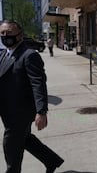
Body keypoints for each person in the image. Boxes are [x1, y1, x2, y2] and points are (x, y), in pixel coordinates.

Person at [0, 20, 64, 173]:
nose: (5, 36)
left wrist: (41, 112)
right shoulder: (3, 54)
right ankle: (52, 160)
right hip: (7, 110)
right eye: (2, 33)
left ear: (20, 35)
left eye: (9, 32)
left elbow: (38, 84)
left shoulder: (29, 56)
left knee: (11, 146)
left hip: (20, 112)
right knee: (25, 139)